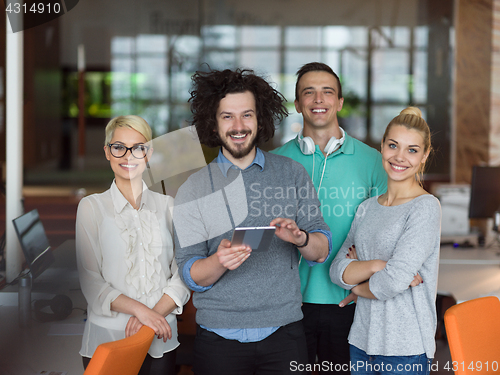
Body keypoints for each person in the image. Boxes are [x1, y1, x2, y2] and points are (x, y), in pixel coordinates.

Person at [173, 68, 332, 375]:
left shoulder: (292, 174)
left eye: (247, 115)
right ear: (213, 122)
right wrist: (220, 260)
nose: (238, 126)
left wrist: (301, 239)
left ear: (260, 119)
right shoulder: (193, 188)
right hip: (218, 340)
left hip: (285, 335)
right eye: (227, 116)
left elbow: (321, 249)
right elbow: (189, 272)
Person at [272, 62, 387, 373]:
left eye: (327, 92)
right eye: (309, 92)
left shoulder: (374, 162)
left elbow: (388, 229)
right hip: (289, 306)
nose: (318, 99)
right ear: (297, 104)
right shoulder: (275, 163)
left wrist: (366, 287)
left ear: (340, 102)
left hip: (350, 302)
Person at [329, 107, 441, 375]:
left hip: (405, 348)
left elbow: (393, 282)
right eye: (393, 146)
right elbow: (336, 270)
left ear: (424, 155)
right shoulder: (367, 208)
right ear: (382, 146)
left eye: (412, 150)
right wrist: (379, 265)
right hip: (361, 340)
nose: (400, 157)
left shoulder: (425, 207)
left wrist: (356, 288)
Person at [76, 115, 190, 375]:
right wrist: (144, 313)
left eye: (138, 147)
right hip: (108, 340)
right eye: (119, 147)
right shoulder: (91, 208)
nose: (128, 156)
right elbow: (90, 282)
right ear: (107, 152)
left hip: (161, 339)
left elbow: (183, 273)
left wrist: (152, 318)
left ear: (148, 153)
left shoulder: (168, 206)